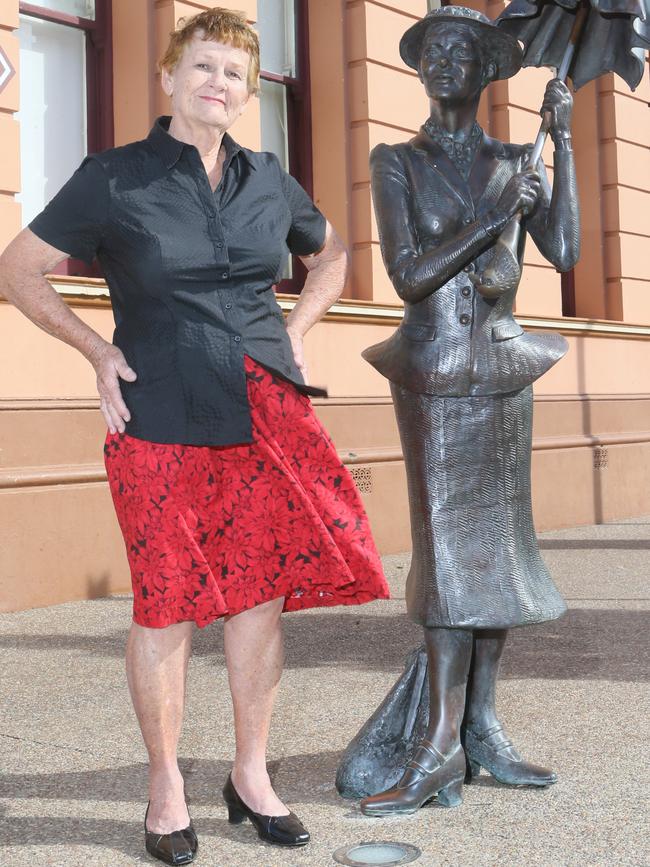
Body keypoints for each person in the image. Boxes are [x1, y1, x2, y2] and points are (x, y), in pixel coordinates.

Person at [0, 8, 389, 863]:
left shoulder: (268, 180)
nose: (221, 83)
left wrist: (298, 328)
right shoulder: (114, 178)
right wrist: (96, 350)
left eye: (236, 75)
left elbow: (329, 256)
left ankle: (251, 774)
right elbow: (17, 270)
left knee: (258, 598)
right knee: (167, 601)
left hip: (264, 409)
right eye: (205, 66)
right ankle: (166, 784)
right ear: (170, 78)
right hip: (160, 416)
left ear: (249, 95)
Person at [344, 6, 579, 815]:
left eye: (461, 52)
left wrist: (564, 147)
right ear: (420, 69)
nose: (445, 61)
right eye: (433, 50)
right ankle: (438, 745)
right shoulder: (395, 161)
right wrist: (490, 218)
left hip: (504, 373)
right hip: (435, 375)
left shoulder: (520, 157)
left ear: (486, 71)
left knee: (499, 553)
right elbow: (408, 275)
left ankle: (479, 728)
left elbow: (570, 251)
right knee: (449, 556)